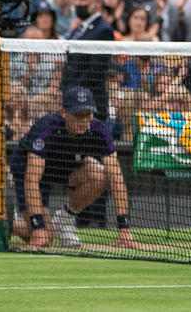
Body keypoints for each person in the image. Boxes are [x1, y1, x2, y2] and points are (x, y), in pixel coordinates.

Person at [9, 86, 137, 248]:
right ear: (64, 112)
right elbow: (31, 179)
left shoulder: (99, 131)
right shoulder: (46, 128)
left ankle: (63, 220)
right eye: (78, 115)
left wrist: (124, 227)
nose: (83, 120)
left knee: (99, 175)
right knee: (45, 238)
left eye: (87, 115)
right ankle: (8, 223)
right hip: (27, 168)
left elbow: (116, 177)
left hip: (65, 166)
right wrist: (38, 227)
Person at [61, 0, 113, 122]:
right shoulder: (78, 28)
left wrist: (71, 89)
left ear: (96, 3)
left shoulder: (103, 30)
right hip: (72, 102)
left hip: (91, 104)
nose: (78, 3)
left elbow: (96, 70)